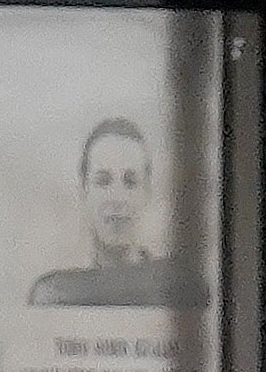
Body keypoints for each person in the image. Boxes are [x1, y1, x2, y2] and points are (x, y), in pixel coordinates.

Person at [27, 118, 199, 308]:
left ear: (147, 192)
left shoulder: (179, 287)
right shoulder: (54, 293)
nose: (117, 198)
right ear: (84, 192)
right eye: (103, 181)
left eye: (130, 182)